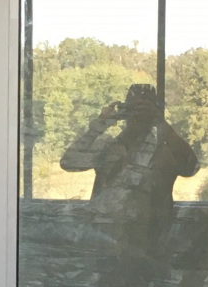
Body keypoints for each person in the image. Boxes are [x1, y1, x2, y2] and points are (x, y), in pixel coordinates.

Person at [60, 82, 200, 239]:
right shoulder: (106, 147)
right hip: (104, 236)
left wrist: (162, 124)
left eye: (145, 110)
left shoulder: (164, 153)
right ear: (125, 111)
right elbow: (68, 163)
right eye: (134, 109)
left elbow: (191, 168)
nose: (138, 115)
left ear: (154, 113)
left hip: (147, 239)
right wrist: (101, 124)